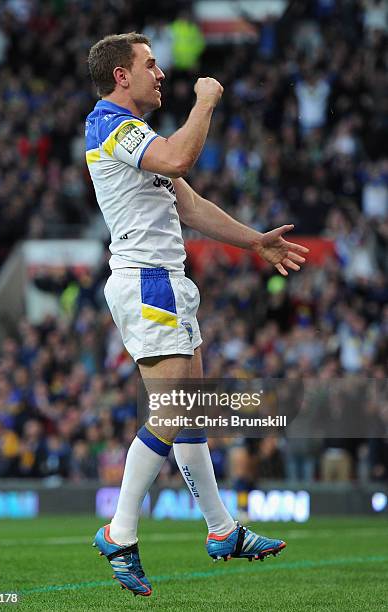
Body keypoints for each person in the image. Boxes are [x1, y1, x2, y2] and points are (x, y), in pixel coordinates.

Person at [85, 32, 308, 597]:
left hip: (169, 282)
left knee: (190, 411)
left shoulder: (138, 138)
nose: (160, 74)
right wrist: (206, 99)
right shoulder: (113, 126)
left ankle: (221, 529)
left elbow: (189, 203)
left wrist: (255, 241)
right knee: (172, 406)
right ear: (121, 76)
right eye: (150, 65)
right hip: (147, 280)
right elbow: (181, 155)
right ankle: (121, 530)